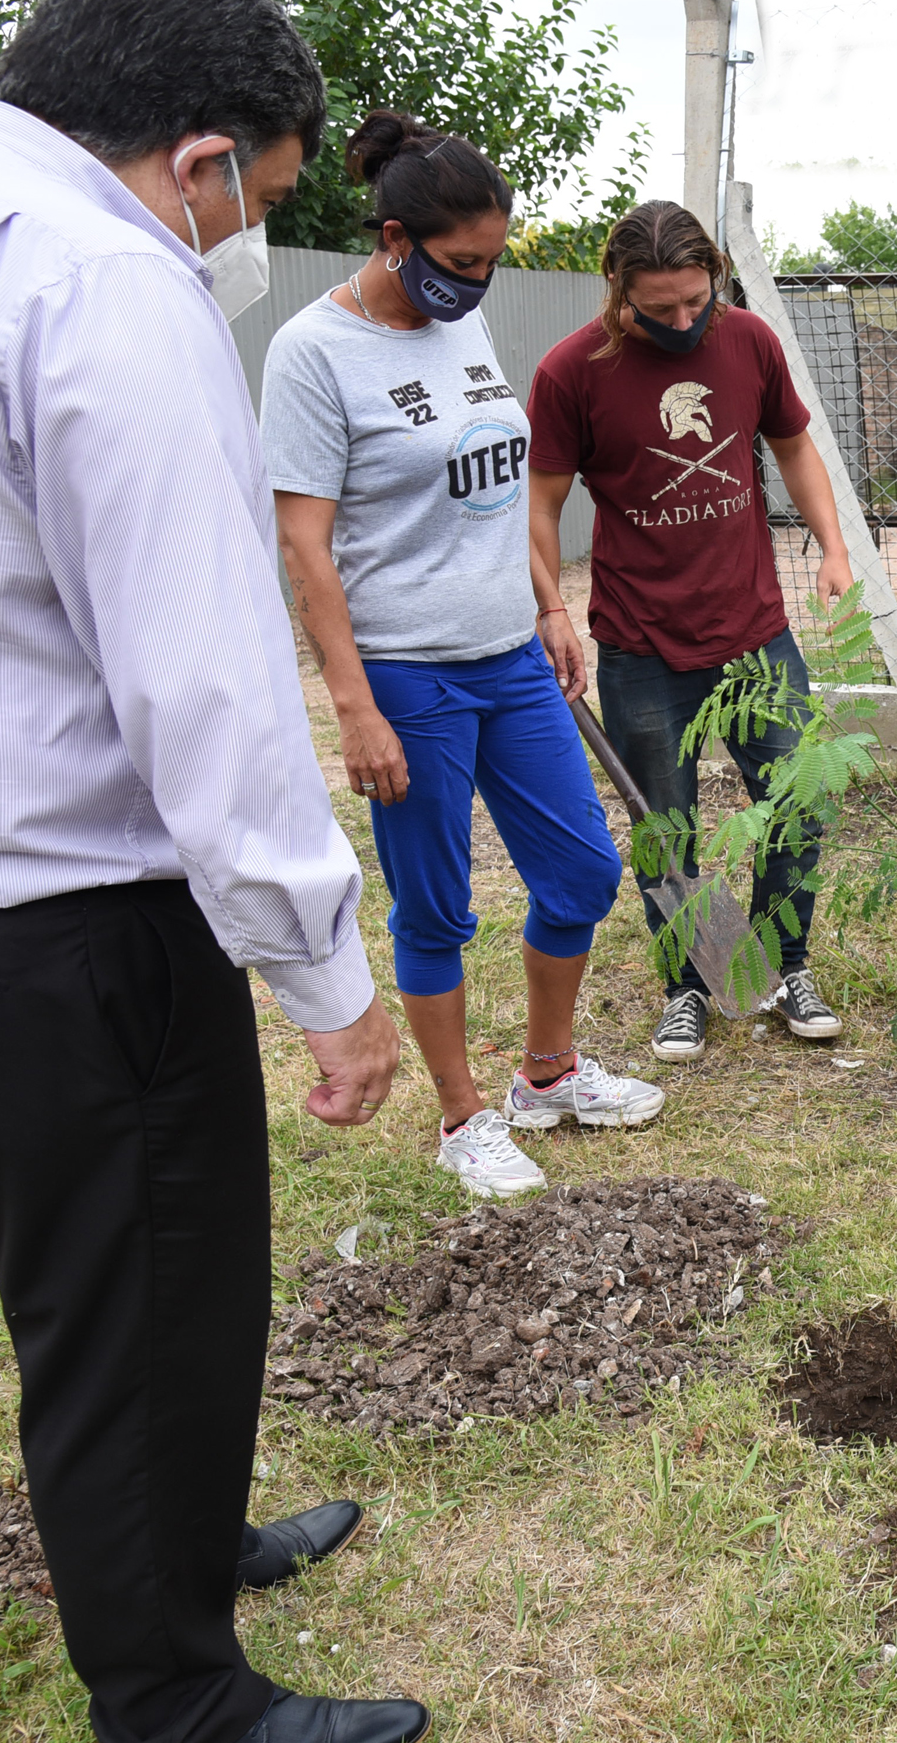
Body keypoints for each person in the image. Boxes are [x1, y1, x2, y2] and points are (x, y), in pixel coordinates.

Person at [0, 0, 429, 1739]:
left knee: (122, 1282)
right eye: (260, 199)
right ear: (195, 158)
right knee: (134, 1298)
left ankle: (178, 1536)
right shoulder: (107, 279)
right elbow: (201, 678)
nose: (251, 233)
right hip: (48, 909)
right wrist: (326, 978)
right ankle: (177, 1697)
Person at [263, 110, 661, 1203]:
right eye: (460, 262)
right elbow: (305, 543)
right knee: (435, 903)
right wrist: (353, 704)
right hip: (406, 668)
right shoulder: (312, 353)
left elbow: (496, 486)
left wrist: (549, 601)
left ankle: (546, 1071)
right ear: (395, 237)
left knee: (582, 866)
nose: (478, 282)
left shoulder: (462, 326)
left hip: (508, 654)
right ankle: (461, 1114)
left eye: (492, 261)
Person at [527, 200, 850, 1065]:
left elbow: (793, 447)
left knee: (797, 804)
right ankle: (687, 988)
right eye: (659, 308)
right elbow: (543, 502)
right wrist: (550, 606)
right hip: (640, 643)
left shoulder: (747, 341)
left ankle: (790, 965)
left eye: (695, 301)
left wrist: (832, 544)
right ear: (618, 289)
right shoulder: (573, 372)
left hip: (756, 632)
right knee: (664, 827)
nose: (682, 320)